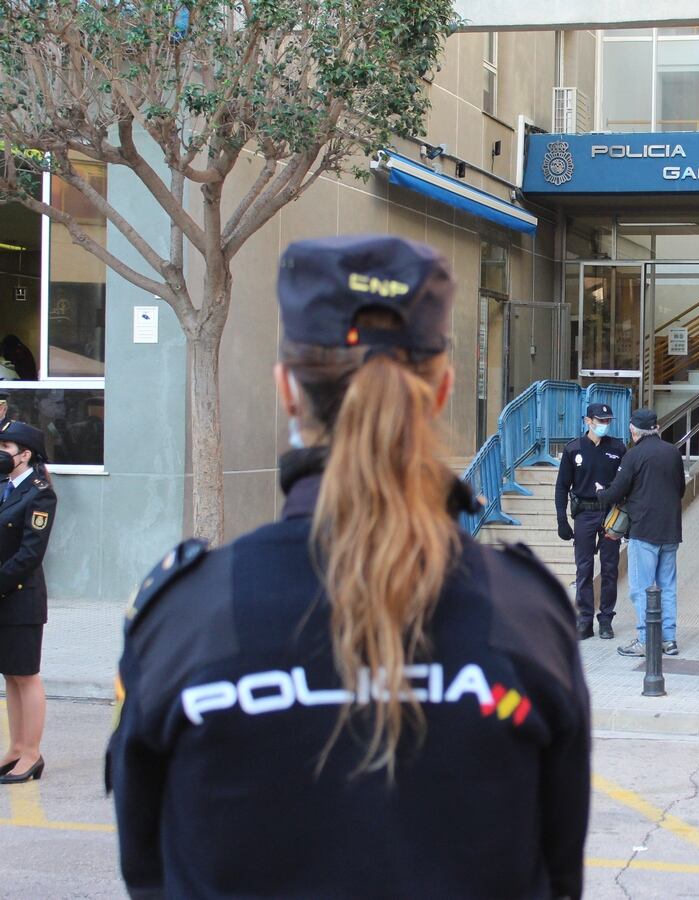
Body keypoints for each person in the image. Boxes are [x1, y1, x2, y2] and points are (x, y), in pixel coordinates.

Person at [106, 235, 591, 898]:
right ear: (443, 387)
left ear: (285, 388)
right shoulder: (524, 612)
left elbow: (147, 870)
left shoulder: (188, 617)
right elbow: (559, 872)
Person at [597, 408, 686, 657]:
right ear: (656, 429)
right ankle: (669, 640)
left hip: (644, 531)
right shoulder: (673, 453)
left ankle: (646, 640)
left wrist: (600, 494)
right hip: (670, 530)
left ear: (634, 432)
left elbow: (616, 491)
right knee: (667, 587)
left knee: (642, 588)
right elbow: (680, 489)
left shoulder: (633, 456)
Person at [0, 420, 56, 785]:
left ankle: (32, 753)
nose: (1, 454)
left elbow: (31, 553)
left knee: (26, 675)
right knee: (10, 674)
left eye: (5, 448)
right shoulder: (4, 487)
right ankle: (16, 747)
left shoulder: (40, 493)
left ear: (25, 454)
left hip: (20, 596)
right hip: (3, 596)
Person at [555, 402, 626, 639]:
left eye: (607, 421)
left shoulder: (618, 448)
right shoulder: (573, 449)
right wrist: (561, 520)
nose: (604, 425)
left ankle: (606, 619)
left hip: (609, 514)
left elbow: (626, 485)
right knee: (583, 568)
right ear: (588, 421)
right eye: (600, 420)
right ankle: (584, 620)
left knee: (609, 569)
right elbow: (562, 487)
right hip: (584, 513)